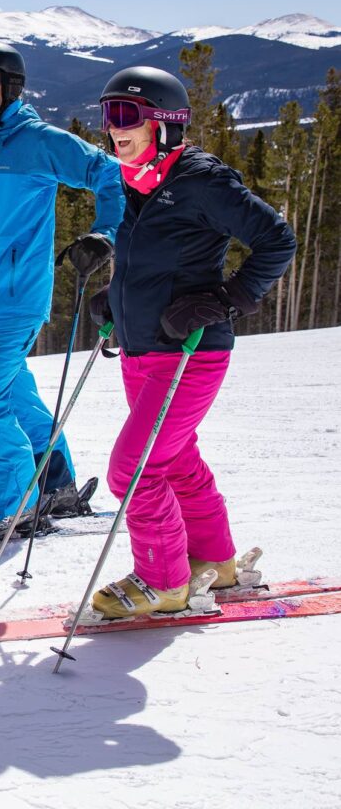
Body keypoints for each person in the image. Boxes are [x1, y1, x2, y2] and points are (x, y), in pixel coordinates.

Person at [88, 66, 296, 618]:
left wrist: (228, 300)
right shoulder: (137, 180)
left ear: (165, 124)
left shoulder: (202, 182)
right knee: (174, 460)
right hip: (142, 350)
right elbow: (155, 261)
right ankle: (216, 562)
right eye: (110, 115)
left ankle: (165, 583)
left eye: (128, 115)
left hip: (189, 352)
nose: (115, 128)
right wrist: (116, 298)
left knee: (133, 471)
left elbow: (277, 241)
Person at [0, 40, 125, 536]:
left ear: (9, 85)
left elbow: (111, 174)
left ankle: (11, 501)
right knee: (15, 392)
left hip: (16, 299)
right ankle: (56, 482)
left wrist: (105, 233)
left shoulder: (39, 142)